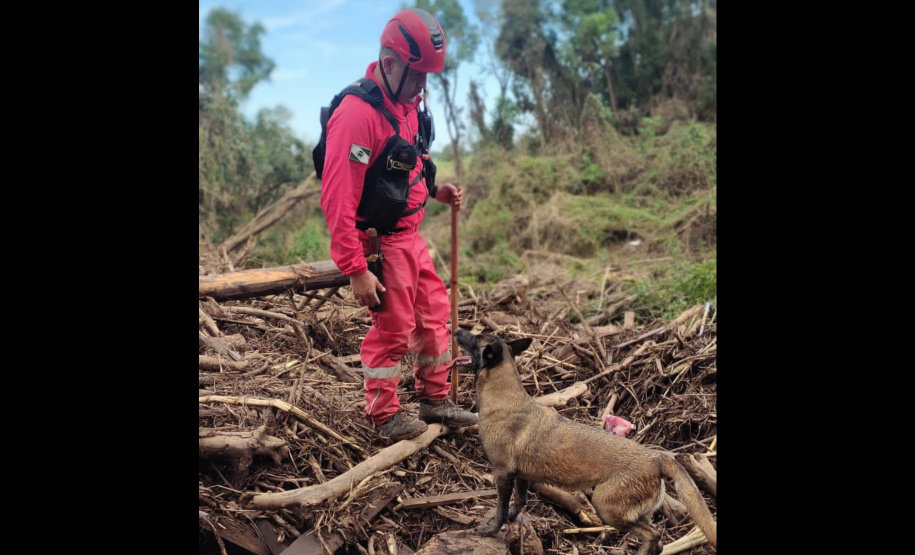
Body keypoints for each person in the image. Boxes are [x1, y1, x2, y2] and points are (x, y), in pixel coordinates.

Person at [319, 8, 478, 441]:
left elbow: (413, 160)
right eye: (418, 75)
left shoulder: (409, 104)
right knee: (393, 330)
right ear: (390, 65)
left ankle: (434, 400)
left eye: (429, 75)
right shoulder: (357, 115)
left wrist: (438, 189)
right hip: (381, 244)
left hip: (412, 237)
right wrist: (356, 269)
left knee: (434, 318)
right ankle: (383, 415)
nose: (424, 86)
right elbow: (337, 199)